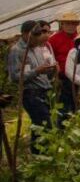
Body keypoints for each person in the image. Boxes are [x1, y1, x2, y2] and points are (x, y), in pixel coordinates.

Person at [7, 21, 57, 153]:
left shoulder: (37, 49)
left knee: (40, 126)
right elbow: (15, 77)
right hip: (31, 94)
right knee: (44, 125)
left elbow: (42, 72)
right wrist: (36, 71)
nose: (39, 37)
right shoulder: (16, 51)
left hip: (44, 91)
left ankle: (39, 156)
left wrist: (51, 70)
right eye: (36, 35)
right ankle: (41, 155)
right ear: (25, 34)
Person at [48, 12, 80, 121]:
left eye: (73, 24)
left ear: (77, 25)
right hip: (63, 78)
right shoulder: (54, 40)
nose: (70, 26)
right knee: (64, 105)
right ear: (62, 25)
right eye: (67, 24)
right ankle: (64, 128)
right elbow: (51, 59)